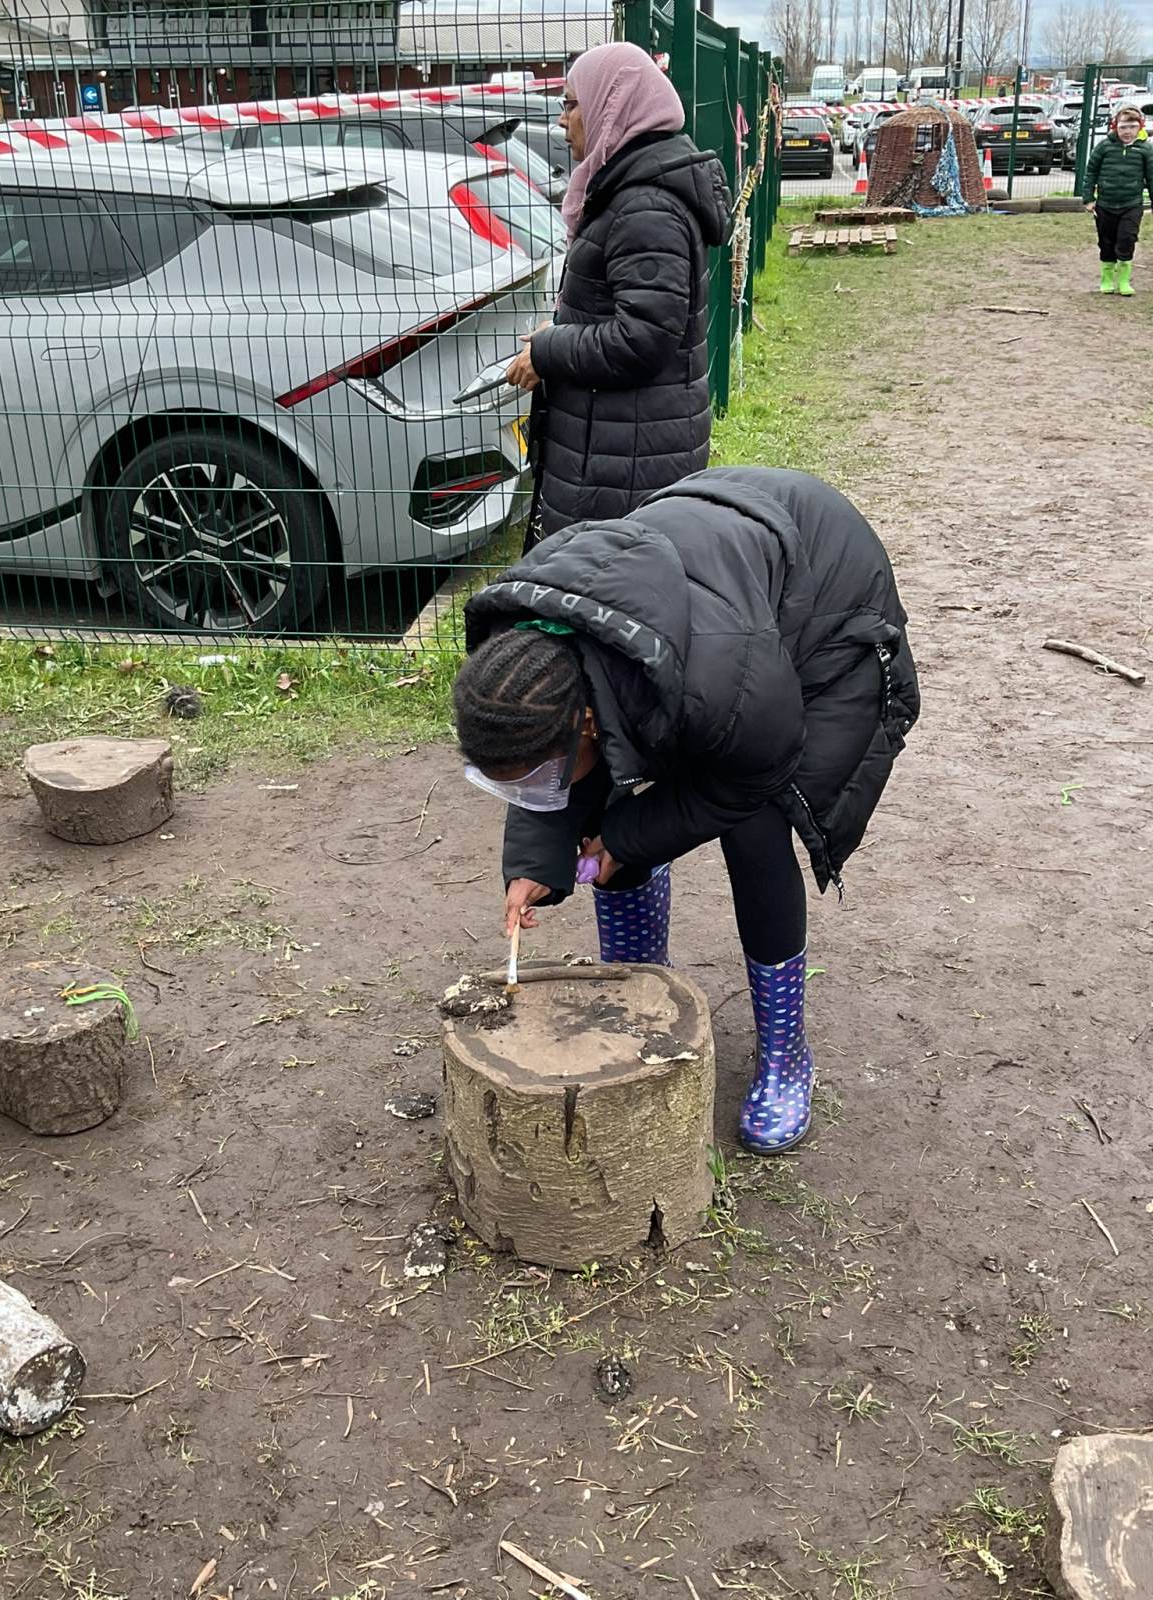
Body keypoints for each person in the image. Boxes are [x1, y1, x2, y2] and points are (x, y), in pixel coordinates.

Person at [453, 467, 920, 1154]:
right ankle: (642, 994)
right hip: (692, 607)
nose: (534, 789)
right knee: (607, 819)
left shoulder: (727, 680)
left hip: (824, 599)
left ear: (585, 722)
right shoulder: (528, 666)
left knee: (756, 827)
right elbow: (544, 773)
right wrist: (537, 861)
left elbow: (751, 775)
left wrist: (624, 838)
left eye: (542, 773)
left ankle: (785, 1055)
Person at [504, 42, 730, 540]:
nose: (561, 119)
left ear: (611, 104)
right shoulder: (626, 189)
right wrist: (560, 331)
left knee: (608, 581)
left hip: (626, 465)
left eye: (571, 103)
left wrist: (548, 349)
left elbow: (642, 339)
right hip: (615, 449)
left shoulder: (645, 207)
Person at [1084, 102, 1153, 297]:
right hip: (1105, 205)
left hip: (1131, 205)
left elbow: (1152, 177)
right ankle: (1107, 278)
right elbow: (1091, 172)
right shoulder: (1104, 147)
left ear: (1140, 127)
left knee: (1126, 239)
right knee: (1106, 242)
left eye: (1132, 127)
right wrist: (1088, 198)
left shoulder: (1145, 149)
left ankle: (1123, 280)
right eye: (1123, 127)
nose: (1127, 132)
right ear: (1115, 127)